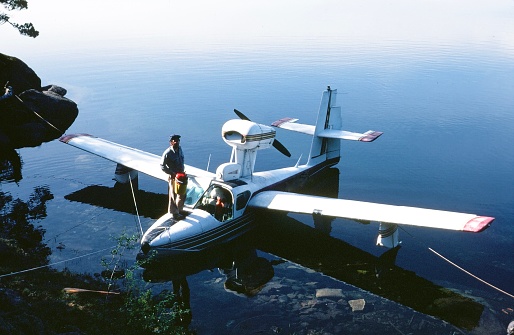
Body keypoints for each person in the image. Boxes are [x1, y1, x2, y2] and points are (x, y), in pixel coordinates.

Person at [161, 134, 185, 220]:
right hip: (173, 177)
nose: (176, 142)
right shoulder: (168, 153)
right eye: (174, 140)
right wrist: (172, 173)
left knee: (182, 194)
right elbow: (162, 166)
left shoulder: (180, 149)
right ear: (171, 142)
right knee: (173, 195)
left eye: (178, 140)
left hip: (181, 176)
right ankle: (174, 213)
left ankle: (180, 210)